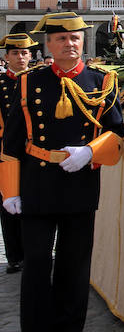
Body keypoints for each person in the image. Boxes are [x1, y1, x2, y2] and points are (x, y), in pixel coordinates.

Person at [0, 12, 124, 331]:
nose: (69, 44)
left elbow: (117, 132)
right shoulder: (31, 81)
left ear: (82, 41)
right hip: (37, 182)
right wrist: (10, 190)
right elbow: (12, 139)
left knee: (74, 264)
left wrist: (90, 152)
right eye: (61, 39)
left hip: (79, 183)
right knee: (38, 261)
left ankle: (70, 326)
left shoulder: (102, 81)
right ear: (48, 45)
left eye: (74, 38)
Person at [0, 33, 38, 274]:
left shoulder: (38, 82)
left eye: (24, 53)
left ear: (31, 56)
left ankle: (35, 253)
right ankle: (14, 256)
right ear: (6, 57)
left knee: (34, 202)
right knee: (8, 204)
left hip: (33, 151)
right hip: (6, 153)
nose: (20, 57)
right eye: (15, 53)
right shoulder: (1, 85)